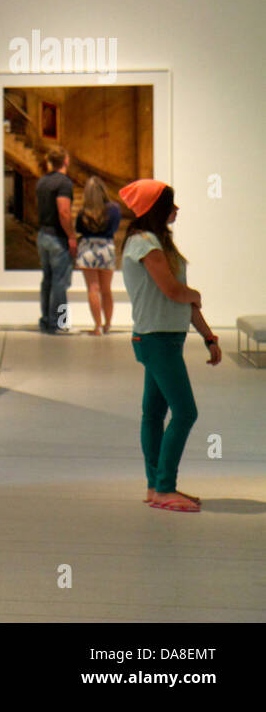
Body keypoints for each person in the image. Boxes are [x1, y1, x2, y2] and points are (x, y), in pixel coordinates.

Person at [118, 180, 221, 513]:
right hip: (157, 339)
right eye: (170, 204)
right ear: (157, 208)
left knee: (154, 414)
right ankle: (164, 487)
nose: (176, 210)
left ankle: (156, 486)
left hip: (164, 339)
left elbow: (181, 297)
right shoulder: (144, 243)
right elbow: (174, 291)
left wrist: (208, 336)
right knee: (185, 412)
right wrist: (196, 295)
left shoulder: (157, 243)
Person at [35, 146, 76, 334]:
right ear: (66, 161)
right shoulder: (64, 183)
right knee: (60, 281)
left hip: (42, 235)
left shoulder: (42, 181)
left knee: (48, 280)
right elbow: (64, 212)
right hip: (57, 238)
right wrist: (71, 236)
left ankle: (46, 320)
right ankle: (60, 323)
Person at [74, 176, 122, 335]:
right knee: (106, 289)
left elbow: (78, 229)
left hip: (87, 248)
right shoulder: (114, 209)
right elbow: (115, 228)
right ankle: (108, 324)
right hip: (106, 248)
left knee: (93, 288)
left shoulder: (83, 213)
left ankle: (98, 326)